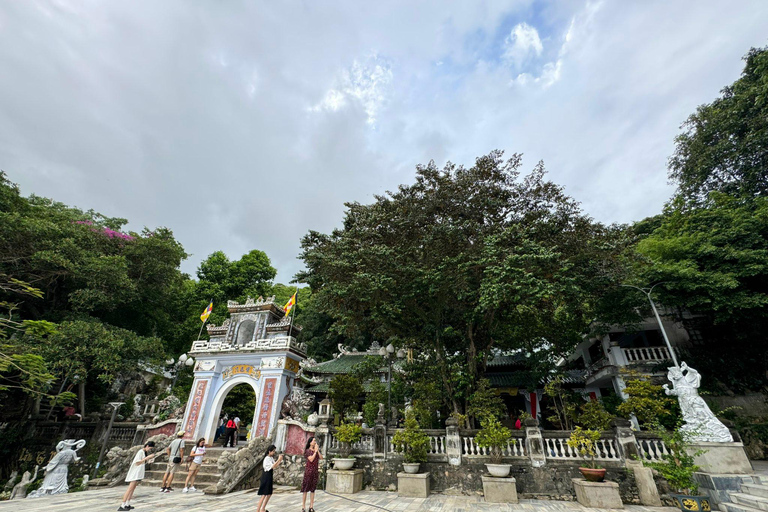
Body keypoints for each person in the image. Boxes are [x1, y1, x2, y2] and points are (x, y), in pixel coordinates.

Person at [119, 441, 156, 511]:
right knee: (130, 489)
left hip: (138, 473)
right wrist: (147, 458)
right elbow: (137, 463)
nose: (150, 450)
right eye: (150, 448)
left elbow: (142, 462)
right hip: (135, 473)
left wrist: (148, 460)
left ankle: (127, 503)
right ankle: (122, 505)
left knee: (133, 489)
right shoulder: (140, 452)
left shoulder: (143, 452)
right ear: (147, 446)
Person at [256, 445, 283, 512]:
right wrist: (278, 460)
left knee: (269, 493)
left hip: (269, 476)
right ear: (269, 451)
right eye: (273, 451)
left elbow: (275, 465)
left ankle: (263, 509)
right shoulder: (266, 458)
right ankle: (258, 510)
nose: (274, 452)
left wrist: (279, 461)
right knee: (264, 494)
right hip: (266, 476)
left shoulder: (271, 458)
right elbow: (272, 466)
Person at [301, 437, 322, 512]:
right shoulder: (307, 451)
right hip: (309, 471)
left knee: (313, 489)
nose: (315, 442)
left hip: (315, 472)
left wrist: (317, 450)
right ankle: (303, 506)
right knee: (305, 489)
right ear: (310, 442)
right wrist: (315, 452)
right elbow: (311, 459)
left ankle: (311, 506)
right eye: (313, 441)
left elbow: (321, 458)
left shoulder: (315, 450)